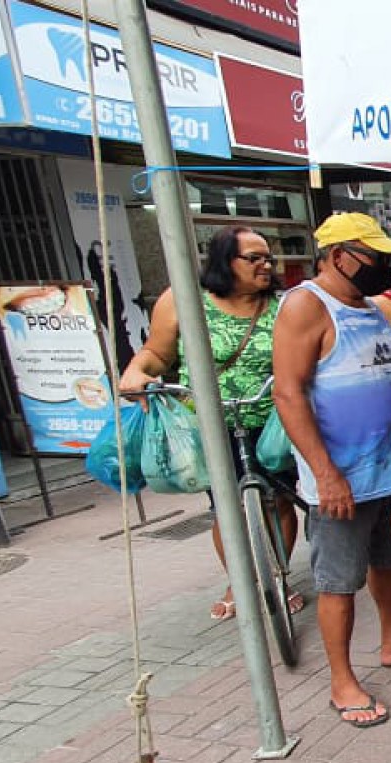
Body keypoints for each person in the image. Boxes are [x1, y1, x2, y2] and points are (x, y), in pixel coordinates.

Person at [272, 213, 391, 730]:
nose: (383, 267)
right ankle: (341, 679)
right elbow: (288, 392)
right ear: (338, 256)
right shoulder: (307, 305)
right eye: (373, 257)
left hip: (390, 469)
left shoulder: (372, 305)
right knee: (338, 581)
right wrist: (325, 473)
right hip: (342, 475)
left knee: (386, 562)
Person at [117, 227, 297, 621]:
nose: (265, 265)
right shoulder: (182, 301)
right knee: (225, 507)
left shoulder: (284, 305)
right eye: (254, 258)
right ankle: (240, 582)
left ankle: (281, 575)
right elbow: (154, 354)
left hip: (274, 424)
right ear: (223, 261)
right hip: (209, 425)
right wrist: (135, 373)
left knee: (280, 500)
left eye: (268, 257)